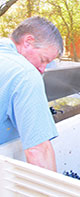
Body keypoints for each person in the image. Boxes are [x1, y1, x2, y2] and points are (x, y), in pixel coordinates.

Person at [0, 16, 64, 171]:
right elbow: (38, 151)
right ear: (28, 41)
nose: (43, 69)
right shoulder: (25, 74)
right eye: (43, 59)